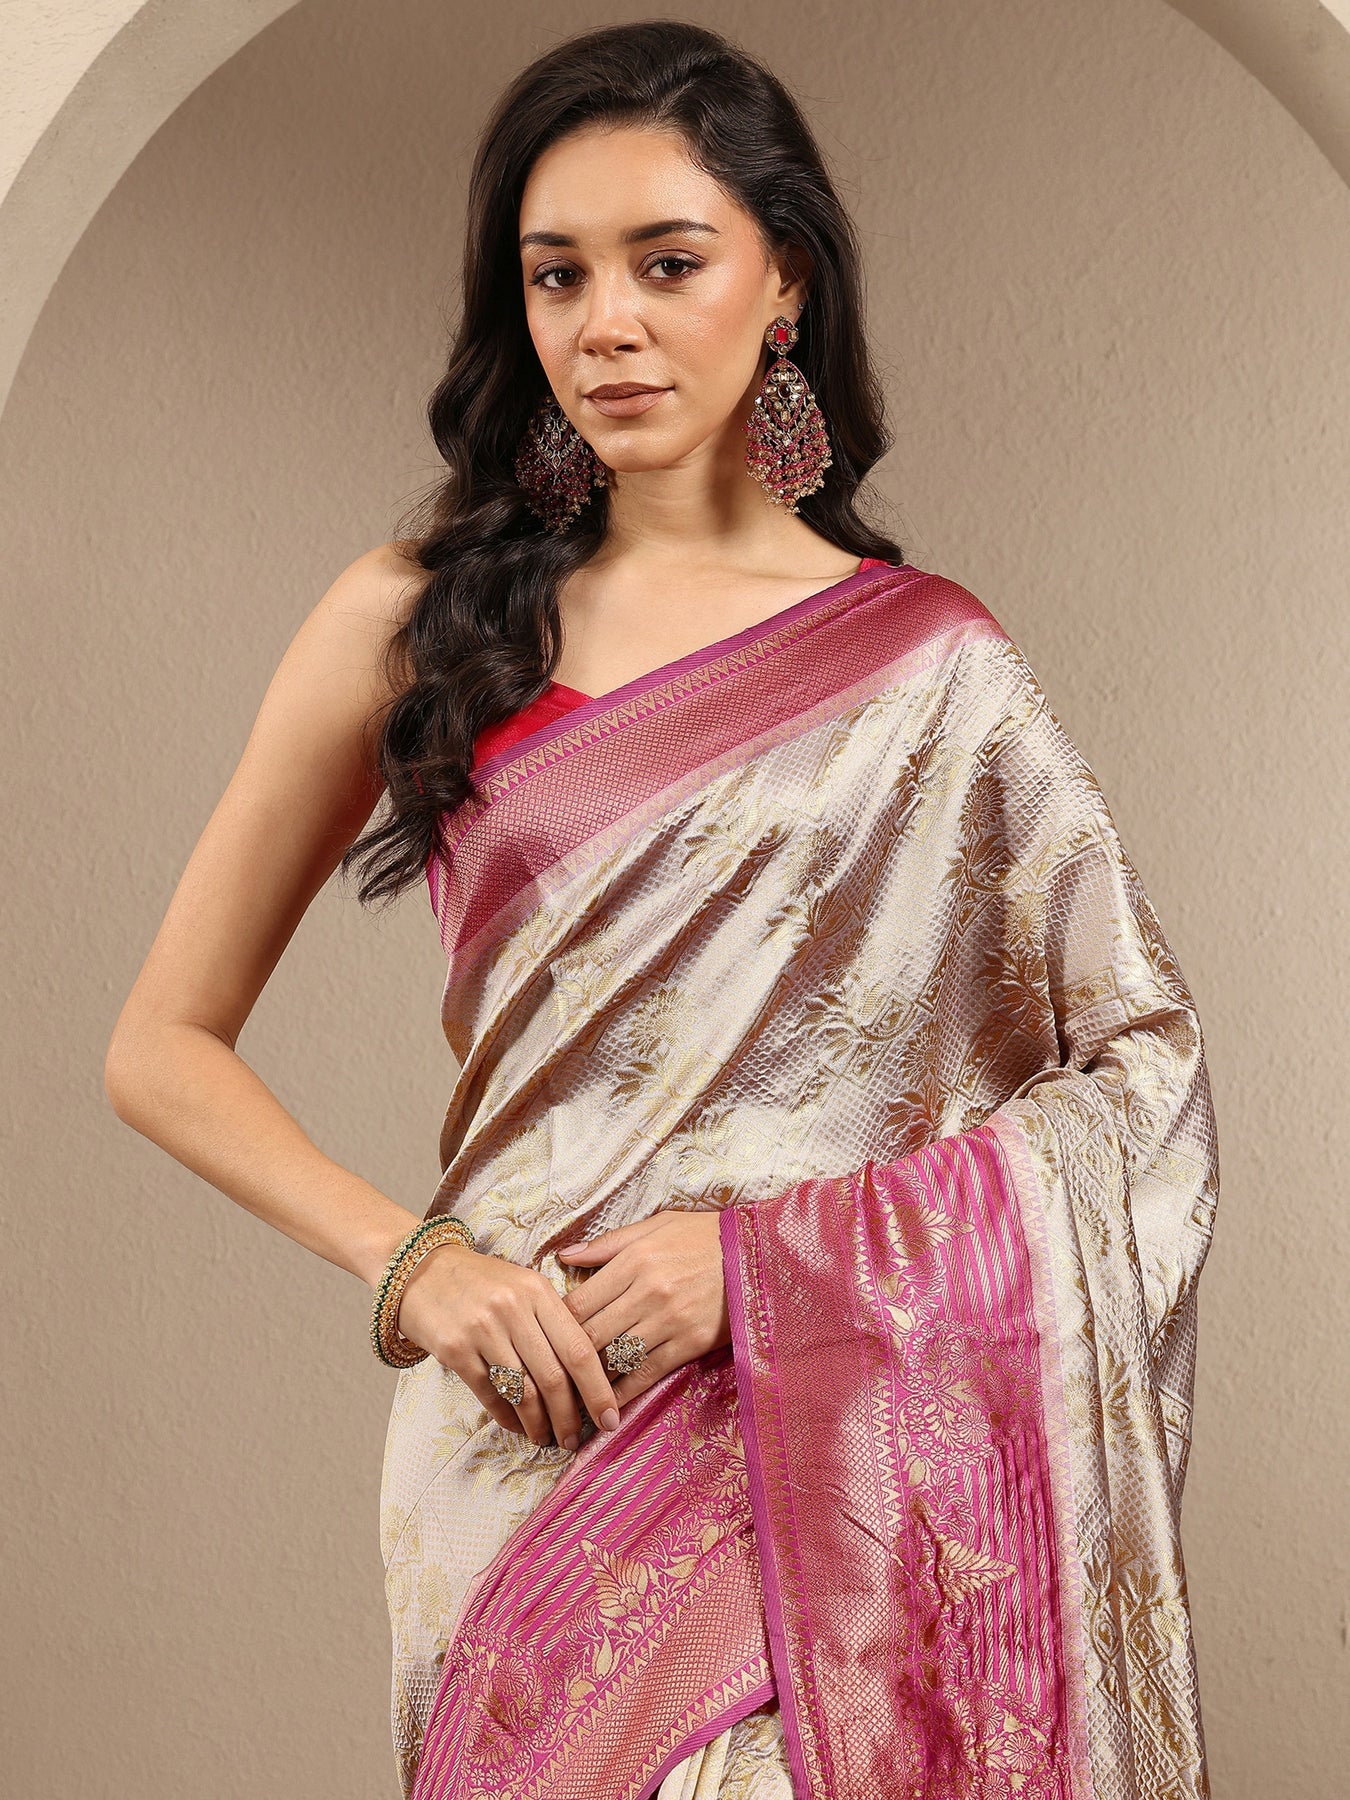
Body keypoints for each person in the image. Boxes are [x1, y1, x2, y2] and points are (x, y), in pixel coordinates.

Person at [105, 18, 1219, 1800]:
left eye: (667, 262)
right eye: (556, 275)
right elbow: (160, 1046)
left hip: (834, 1446)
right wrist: (418, 1270)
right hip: (528, 1420)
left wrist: (767, 1270)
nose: (603, 323)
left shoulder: (930, 669)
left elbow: (1141, 1077)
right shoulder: (416, 618)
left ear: (784, 285)